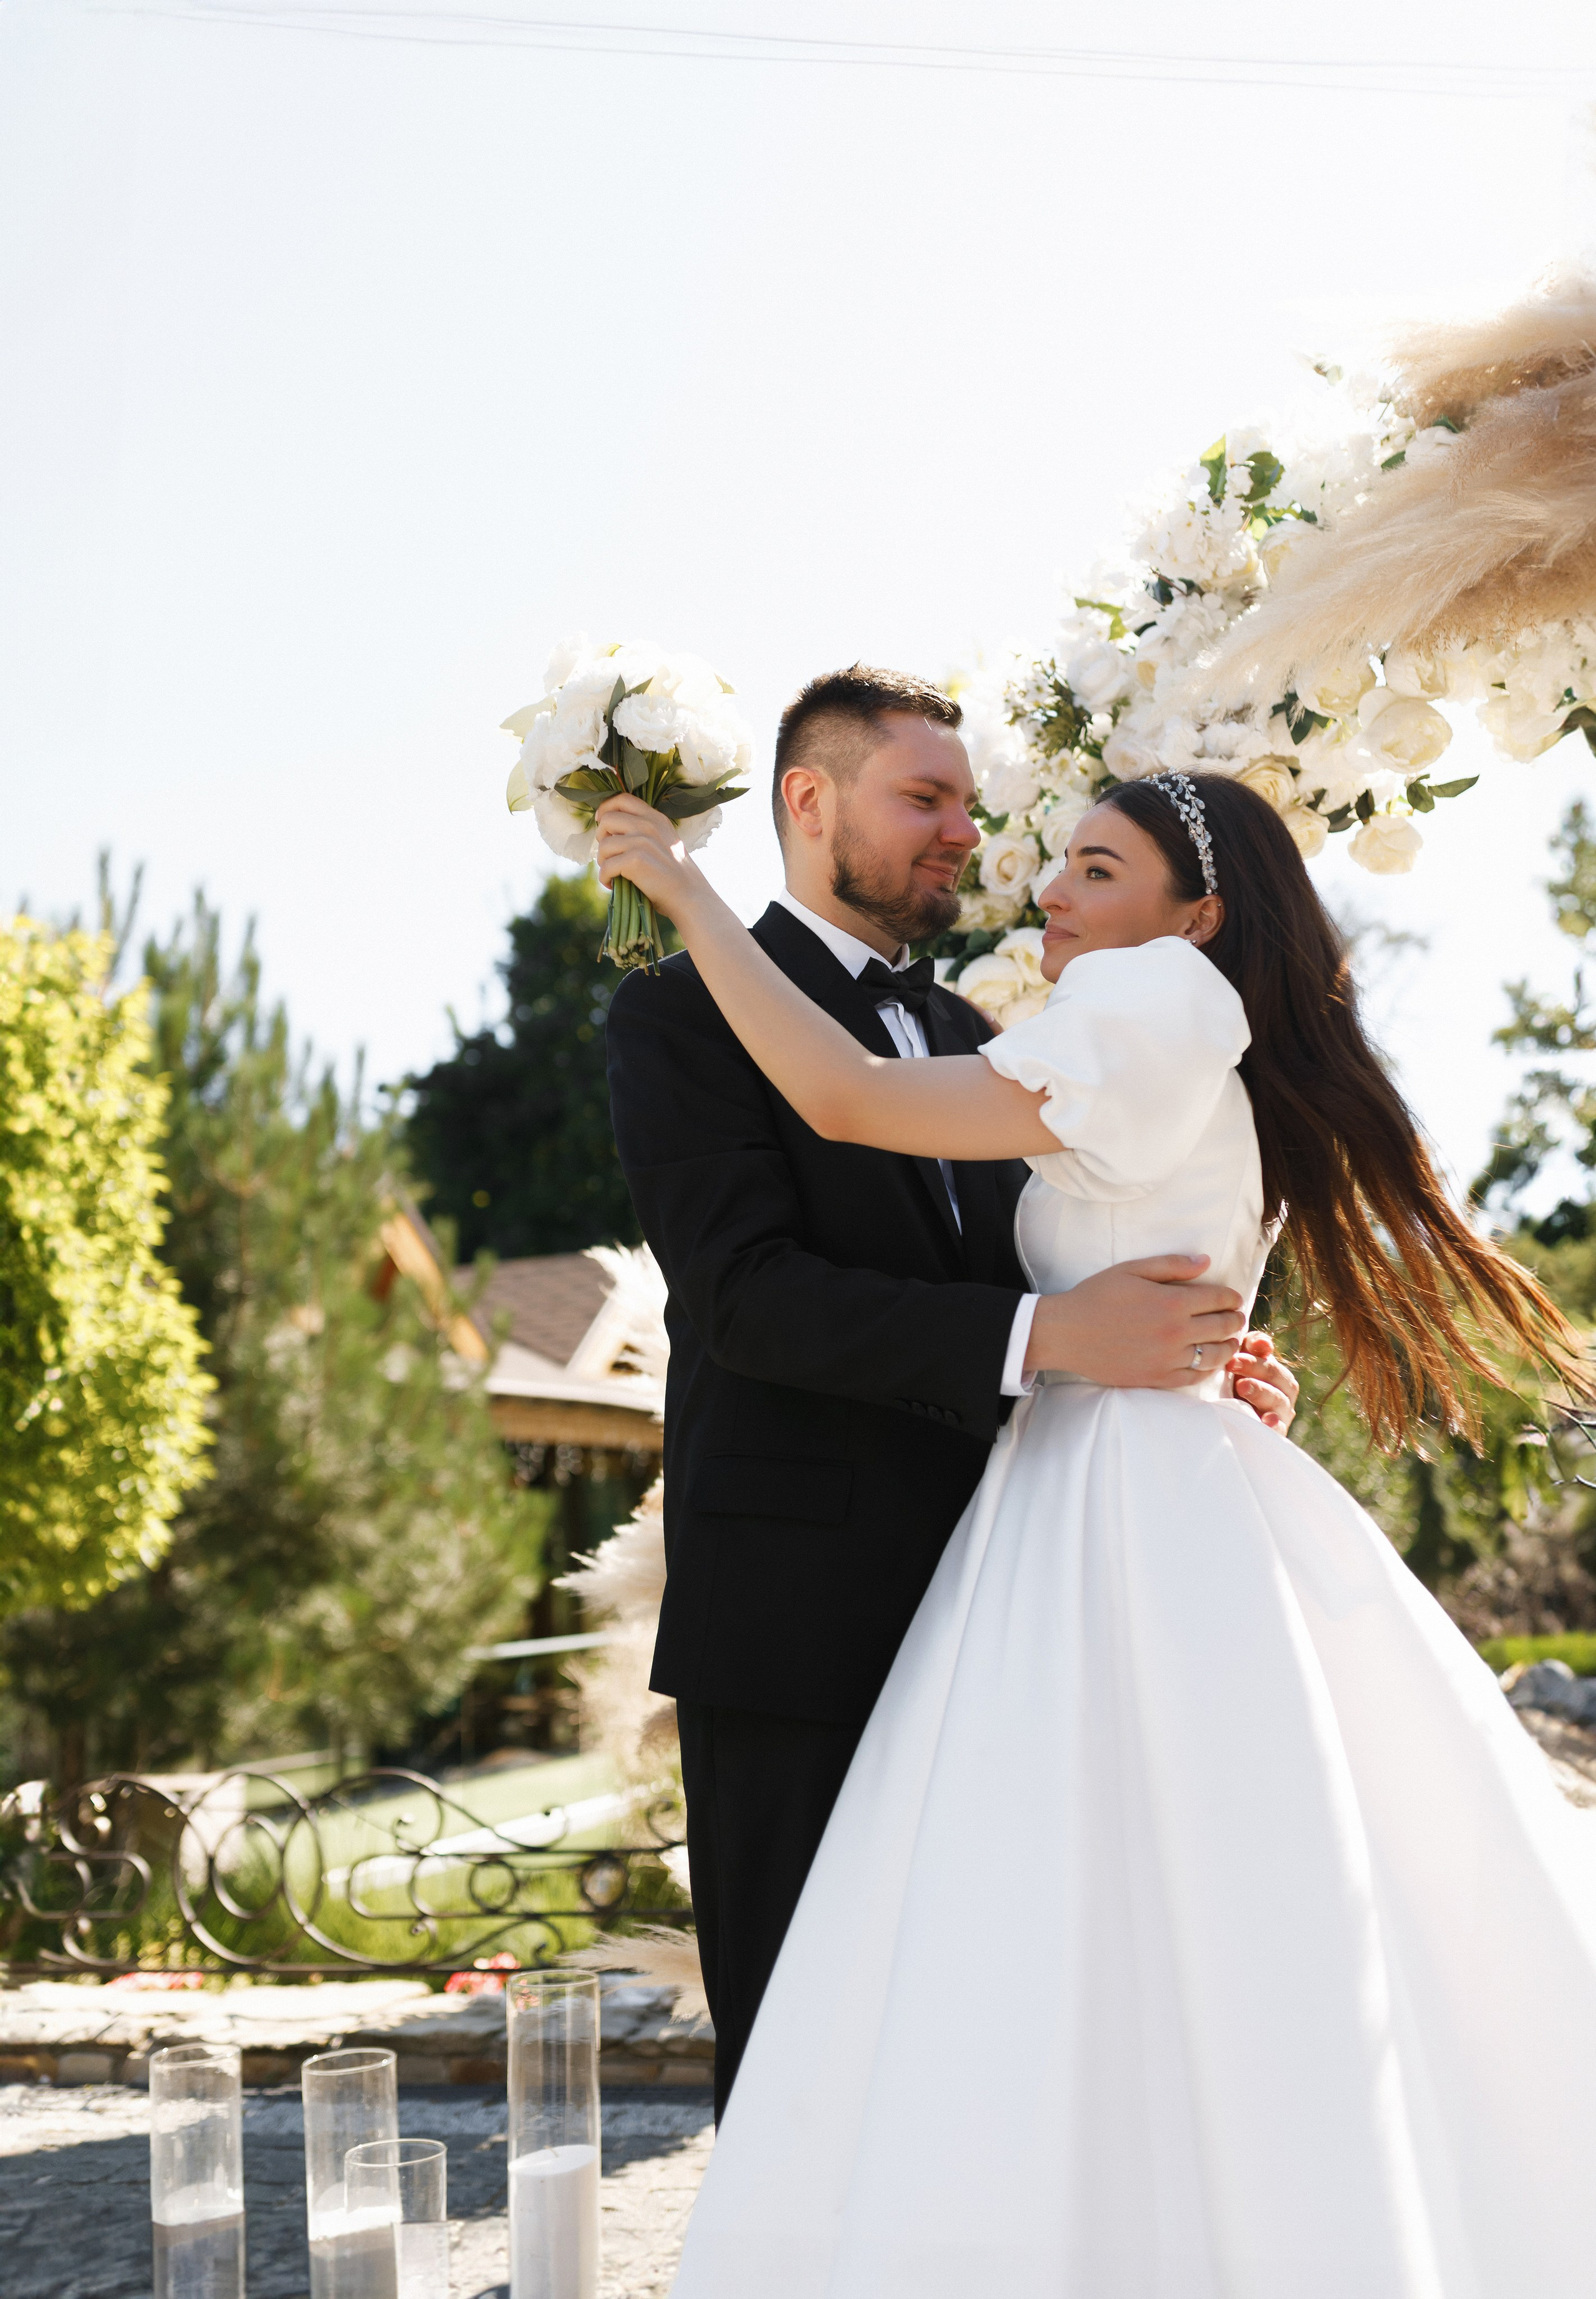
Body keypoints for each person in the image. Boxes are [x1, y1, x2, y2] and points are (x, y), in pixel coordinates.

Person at [596, 762, 1596, 2297]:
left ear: (1196, 911)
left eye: (1093, 867)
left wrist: (683, 892)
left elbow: (842, 1100)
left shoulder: (1159, 1003)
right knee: (1096, 1914)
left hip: (1117, 1500)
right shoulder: (1127, 1022)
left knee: (1118, 1901)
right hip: (1086, 1474)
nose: (1046, 890)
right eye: (1054, 862)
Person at [604, 668, 1297, 2121]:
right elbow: (747, 1300)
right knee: (804, 2058)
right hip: (794, 1621)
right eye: (923, 798)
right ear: (807, 801)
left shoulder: (988, 1035)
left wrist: (1188, 1356)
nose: (960, 837)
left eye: (967, 808)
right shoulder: (676, 1015)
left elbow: (1082, 1246)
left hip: (1005, 1604)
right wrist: (1050, 1336)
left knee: (980, 2060)